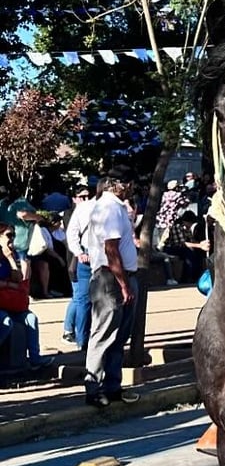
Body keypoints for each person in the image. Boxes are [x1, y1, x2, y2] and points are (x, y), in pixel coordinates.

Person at [84, 166, 140, 407]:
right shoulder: (109, 208)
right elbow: (111, 249)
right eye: (130, 184)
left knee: (119, 336)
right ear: (119, 184)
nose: (132, 188)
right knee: (104, 332)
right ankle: (93, 387)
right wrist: (124, 285)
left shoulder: (117, 207)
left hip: (121, 276)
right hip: (110, 278)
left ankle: (113, 386)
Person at [0, 223, 55, 370]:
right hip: (2, 305)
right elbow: (13, 283)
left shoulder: (12, 254)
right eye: (8, 235)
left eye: (13, 235)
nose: (12, 239)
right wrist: (9, 284)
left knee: (31, 319)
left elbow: (18, 278)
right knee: (5, 322)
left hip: (12, 303)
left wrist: (10, 259)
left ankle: (35, 358)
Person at [63, 185, 96, 349]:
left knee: (79, 299)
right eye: (82, 197)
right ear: (74, 198)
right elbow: (71, 236)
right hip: (76, 261)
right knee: (79, 298)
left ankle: (72, 330)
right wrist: (79, 253)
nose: (86, 200)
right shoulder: (71, 213)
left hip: (83, 258)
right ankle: (69, 330)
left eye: (88, 196)